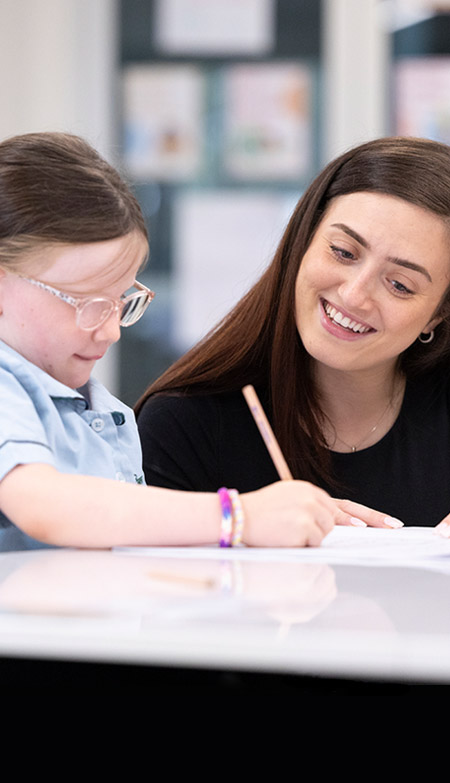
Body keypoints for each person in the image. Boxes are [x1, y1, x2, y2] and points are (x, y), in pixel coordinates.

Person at [0, 130, 357, 552]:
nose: (112, 331)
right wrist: (239, 516)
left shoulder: (95, 406)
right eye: (87, 303)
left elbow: (122, 530)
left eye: (121, 301)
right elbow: (45, 506)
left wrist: (295, 512)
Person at [136, 135, 450, 530]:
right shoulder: (185, 424)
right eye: (343, 252)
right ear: (302, 241)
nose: (354, 295)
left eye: (400, 285)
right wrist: (244, 529)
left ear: (437, 315)